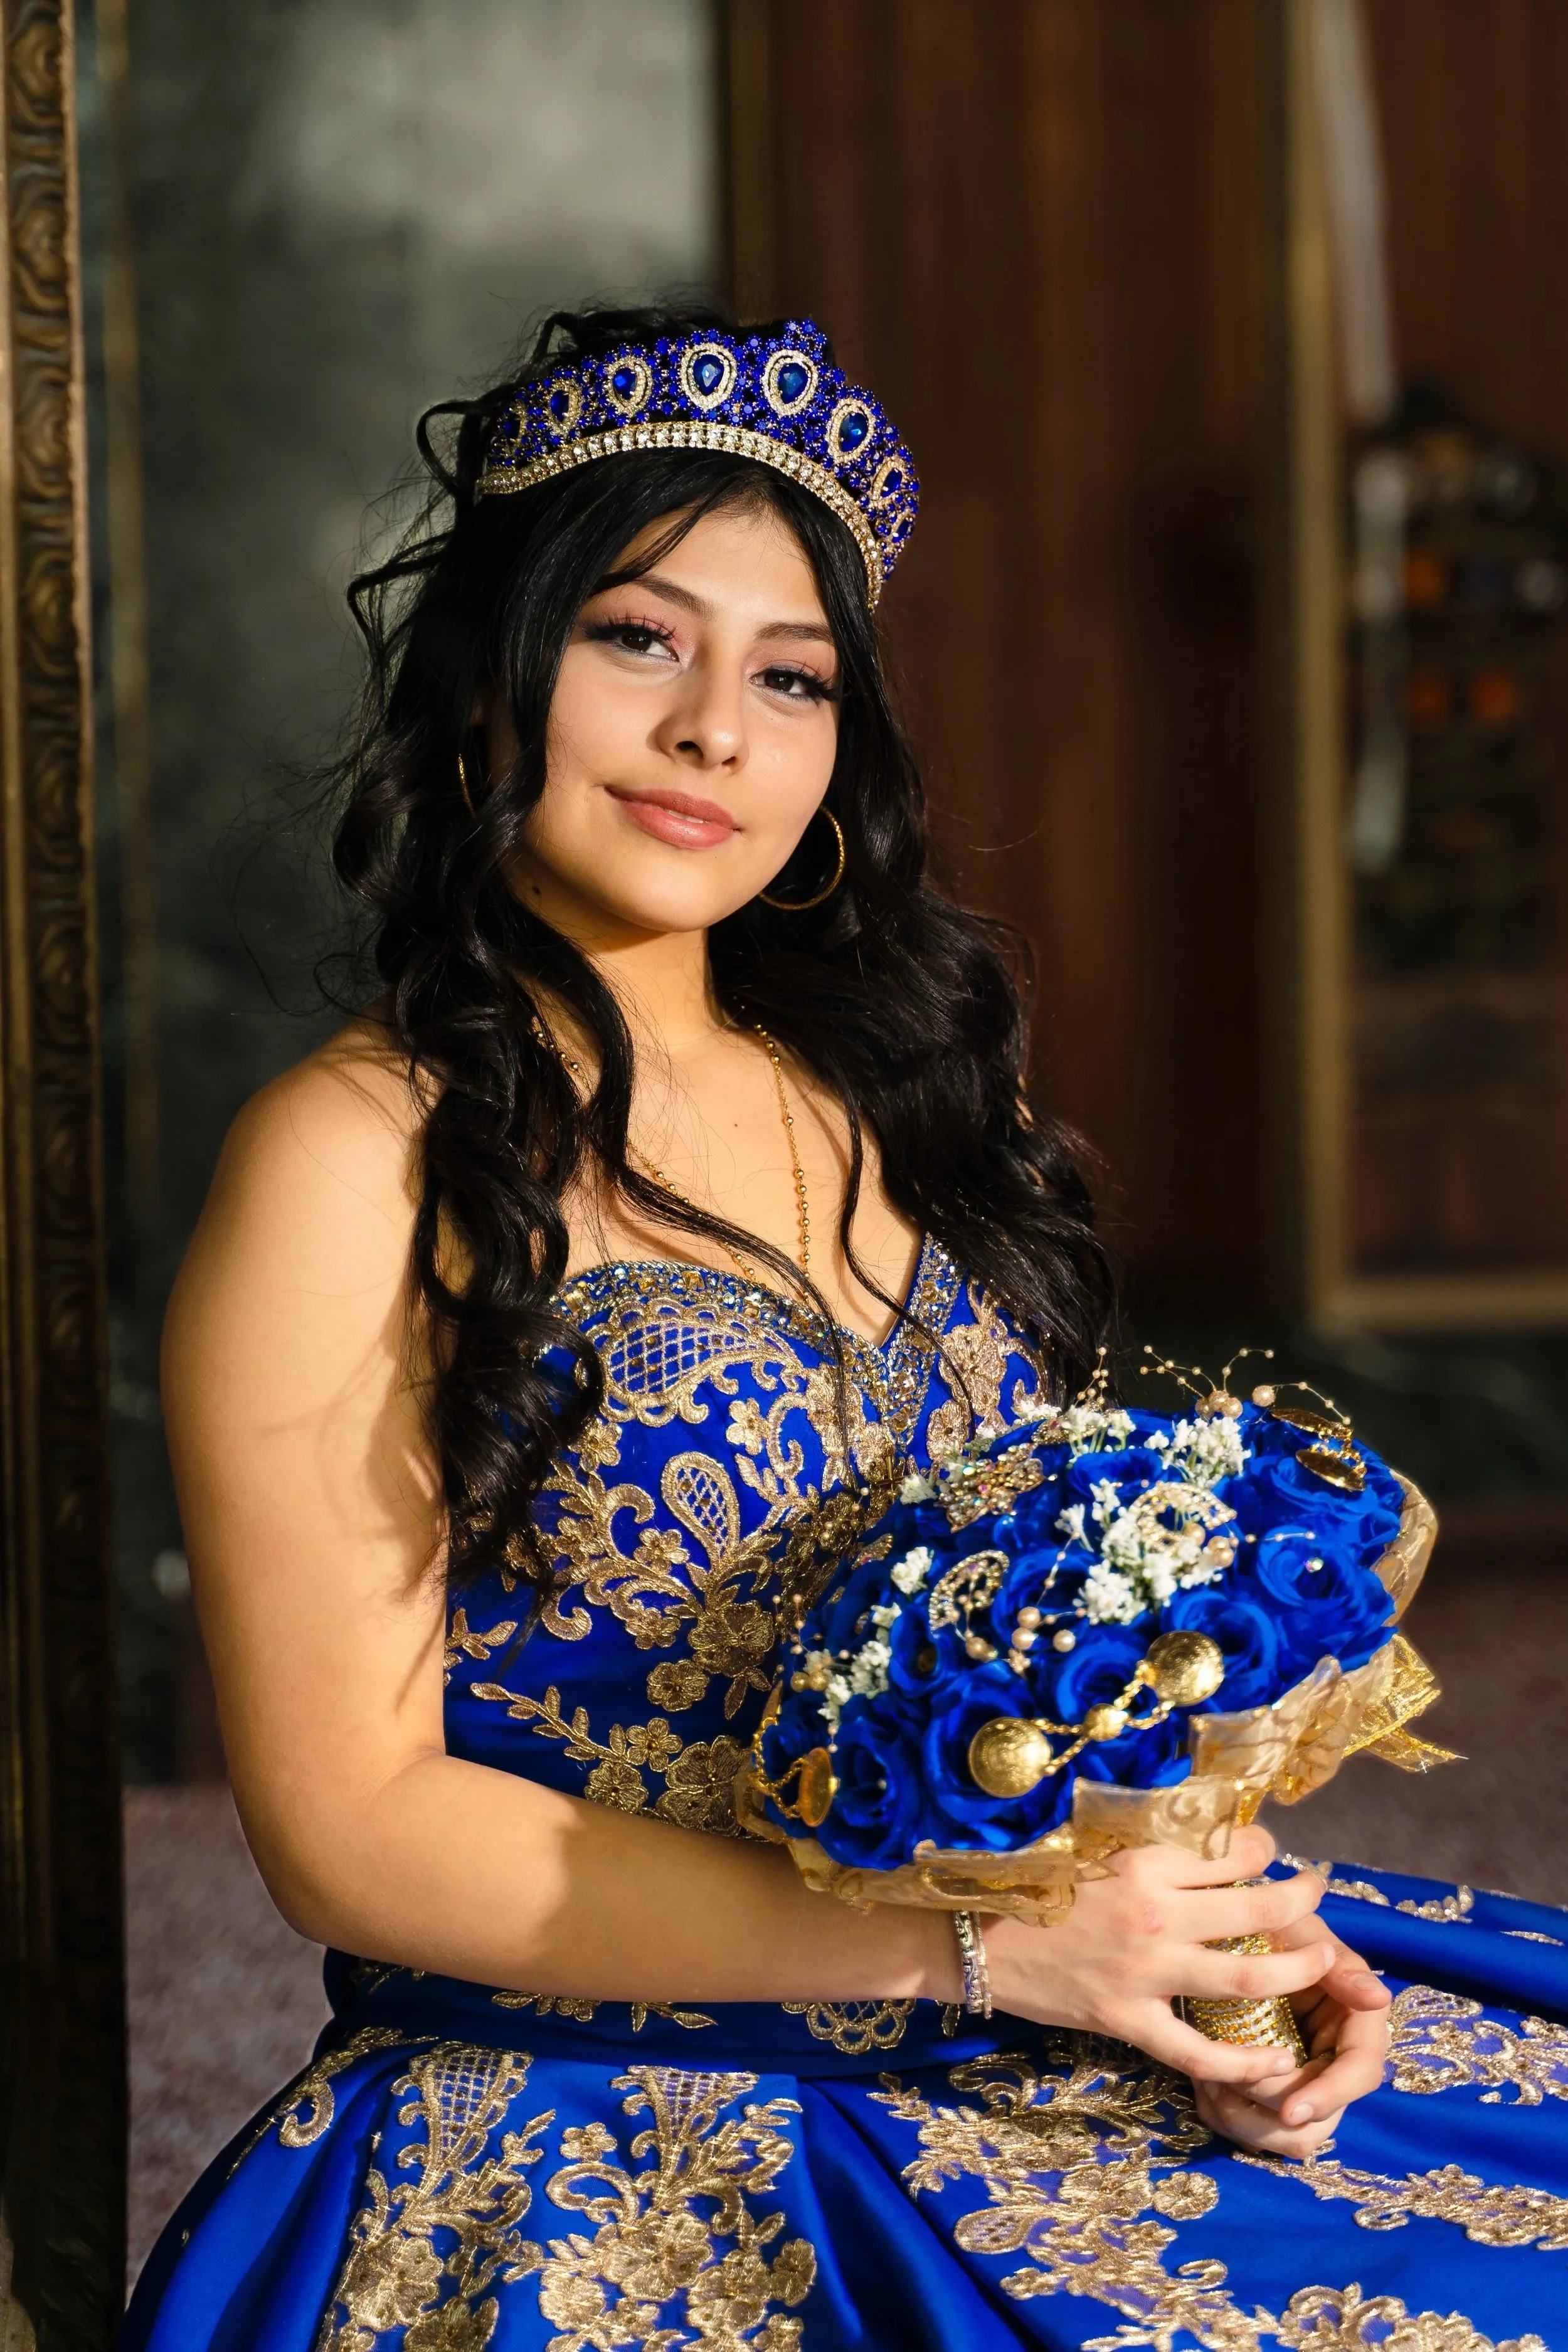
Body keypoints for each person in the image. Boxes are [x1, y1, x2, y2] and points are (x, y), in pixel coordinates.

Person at [124, 305, 1567, 2352]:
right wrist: (974, 1964)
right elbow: (348, 1826)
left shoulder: (896, 1099)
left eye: (789, 675)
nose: (719, 726)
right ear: (483, 685)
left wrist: (1218, 1932)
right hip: (615, 2102)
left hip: (1027, 1993)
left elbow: (1056, 1644)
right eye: (639, 639)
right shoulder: (356, 1155)